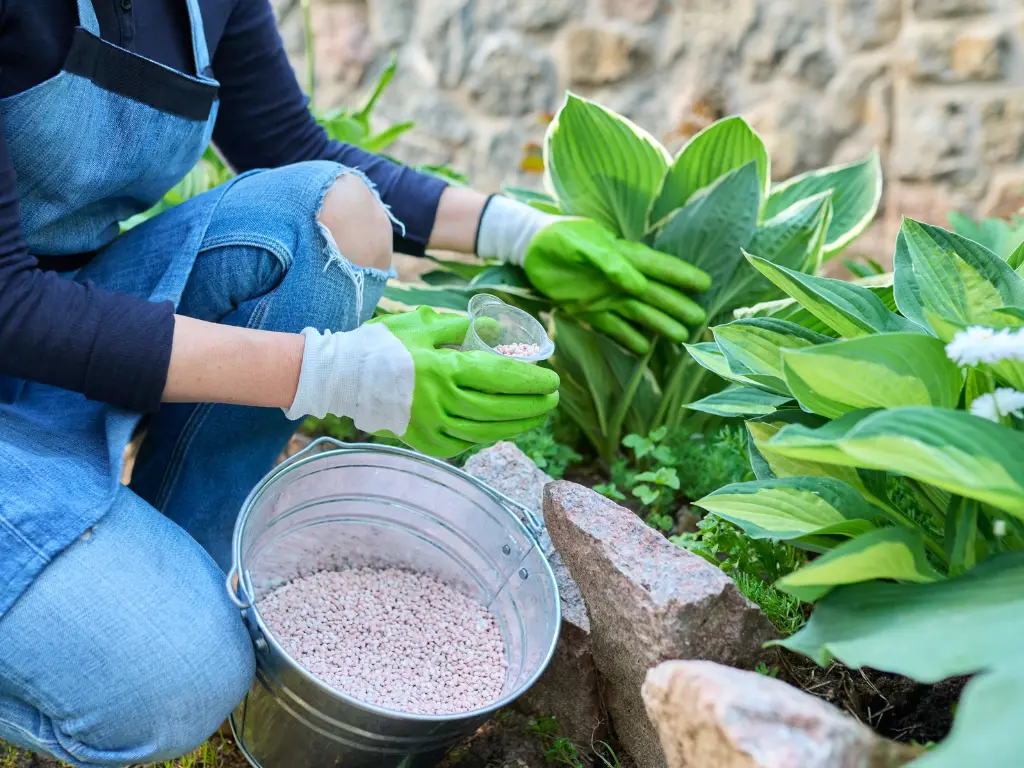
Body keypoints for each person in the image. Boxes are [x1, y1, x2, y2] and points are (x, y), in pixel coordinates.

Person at [0, 1, 710, 765]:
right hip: (21, 321)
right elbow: (10, 307)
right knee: (180, 682)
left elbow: (291, 146)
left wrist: (520, 232)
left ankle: (167, 564)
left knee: (331, 216)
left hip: (67, 330)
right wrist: (338, 374)